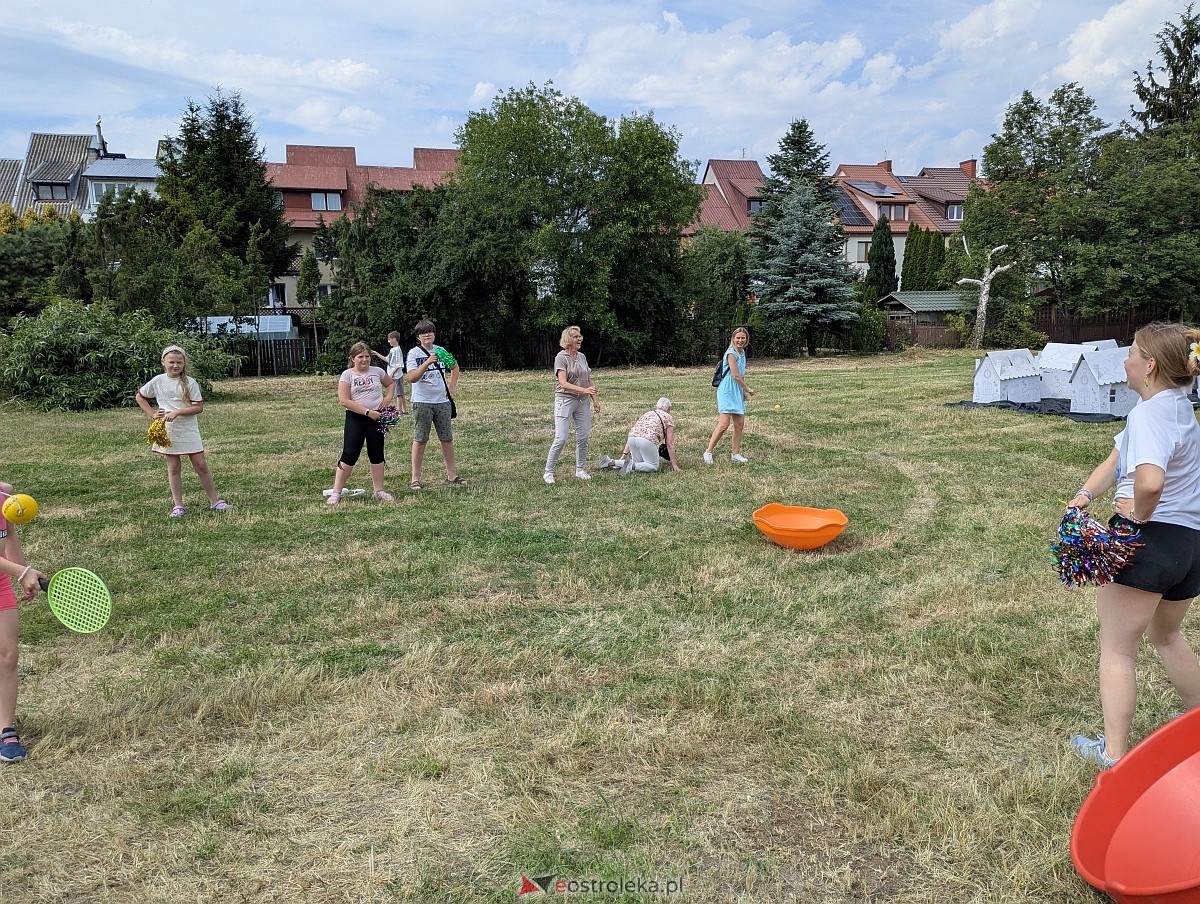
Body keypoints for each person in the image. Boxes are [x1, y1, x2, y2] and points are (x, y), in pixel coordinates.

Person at [1067, 322, 1200, 767]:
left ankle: (1113, 755)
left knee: (1117, 648)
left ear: (1150, 366)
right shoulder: (1177, 406)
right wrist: (1086, 494)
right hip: (1189, 547)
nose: (1125, 361)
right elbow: (1118, 458)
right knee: (1166, 634)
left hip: (1148, 542)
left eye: (1131, 353)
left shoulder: (1149, 415)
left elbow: (1150, 480)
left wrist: (1139, 514)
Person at [136, 345, 233, 518]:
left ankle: (215, 501)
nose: (175, 365)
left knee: (201, 465)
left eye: (179, 362)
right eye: (171, 362)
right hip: (168, 430)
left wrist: (178, 412)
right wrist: (152, 414)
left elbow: (198, 407)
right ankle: (178, 505)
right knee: (173, 468)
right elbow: (140, 396)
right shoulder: (158, 381)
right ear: (163, 363)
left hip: (188, 430)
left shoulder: (190, 383)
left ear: (184, 363)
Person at [0, 482, 48, 763]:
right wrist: (22, 571)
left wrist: (21, 574)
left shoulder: (5, 497)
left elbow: (10, 536)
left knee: (8, 656)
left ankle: (6, 728)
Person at [328, 341, 397, 504]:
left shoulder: (377, 371)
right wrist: (367, 412)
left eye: (367, 356)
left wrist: (387, 398)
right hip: (356, 419)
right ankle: (336, 492)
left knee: (377, 453)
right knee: (349, 454)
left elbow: (390, 384)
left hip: (377, 418)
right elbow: (344, 400)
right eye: (360, 357)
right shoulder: (347, 375)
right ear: (353, 359)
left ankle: (379, 490)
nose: (365, 360)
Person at [406, 320, 466, 490]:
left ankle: (452, 475)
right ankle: (415, 478)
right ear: (418, 337)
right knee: (420, 439)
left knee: (446, 438)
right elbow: (411, 378)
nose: (428, 335)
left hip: (442, 402)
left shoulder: (441, 350)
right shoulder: (413, 353)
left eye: (430, 332)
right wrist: (426, 362)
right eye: (424, 333)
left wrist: (451, 389)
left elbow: (454, 367)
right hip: (422, 402)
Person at [543, 325, 601, 484]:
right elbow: (563, 383)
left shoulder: (582, 356)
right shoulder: (561, 357)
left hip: (582, 401)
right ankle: (548, 472)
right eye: (576, 337)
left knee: (583, 437)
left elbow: (588, 379)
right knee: (561, 438)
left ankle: (580, 469)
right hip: (565, 400)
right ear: (568, 340)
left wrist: (594, 399)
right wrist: (584, 390)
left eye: (580, 336)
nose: (580, 339)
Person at [703, 326, 755, 465]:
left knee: (739, 424)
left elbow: (741, 375)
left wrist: (742, 392)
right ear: (733, 339)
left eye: (743, 338)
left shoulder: (742, 353)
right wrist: (748, 389)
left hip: (737, 390)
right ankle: (708, 452)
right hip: (727, 390)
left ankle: (735, 454)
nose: (740, 340)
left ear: (746, 339)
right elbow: (735, 375)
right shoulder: (731, 353)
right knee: (724, 425)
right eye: (737, 338)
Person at [600, 398, 682, 475]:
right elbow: (670, 443)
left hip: (632, 439)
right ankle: (630, 466)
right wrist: (674, 465)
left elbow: (635, 431)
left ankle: (610, 462)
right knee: (653, 466)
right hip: (647, 441)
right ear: (669, 408)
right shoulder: (668, 417)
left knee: (639, 463)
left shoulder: (647, 413)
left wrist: (624, 455)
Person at [372, 331, 409, 416]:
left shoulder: (397, 350)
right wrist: (376, 353)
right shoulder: (392, 350)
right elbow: (387, 360)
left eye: (389, 339)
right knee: (400, 393)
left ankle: (400, 412)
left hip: (397, 375)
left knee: (399, 393)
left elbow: (399, 364)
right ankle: (403, 410)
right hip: (394, 375)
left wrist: (392, 373)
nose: (388, 341)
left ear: (394, 339)